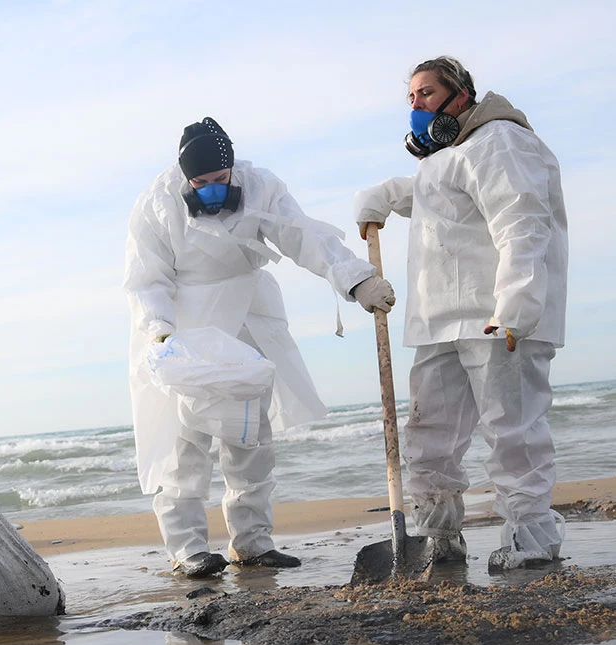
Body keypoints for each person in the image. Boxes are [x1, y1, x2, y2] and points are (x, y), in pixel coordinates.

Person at [124, 117, 395, 577]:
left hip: (249, 317)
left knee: (250, 434)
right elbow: (146, 278)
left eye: (219, 180)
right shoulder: (157, 203)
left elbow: (305, 237)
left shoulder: (261, 187)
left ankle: (251, 543)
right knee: (185, 441)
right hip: (184, 328)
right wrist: (159, 332)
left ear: (232, 169)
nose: (211, 189)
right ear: (185, 176)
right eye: (201, 182)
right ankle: (187, 548)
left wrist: (357, 280)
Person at [354, 56, 568, 572]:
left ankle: (531, 536)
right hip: (440, 319)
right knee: (430, 435)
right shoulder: (449, 156)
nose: (416, 106)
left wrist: (516, 303)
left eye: (426, 93)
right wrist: (383, 196)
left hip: (495, 317)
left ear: (461, 96)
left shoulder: (500, 141)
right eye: (410, 97)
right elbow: (438, 197)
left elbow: (522, 221)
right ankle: (439, 535)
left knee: (511, 430)